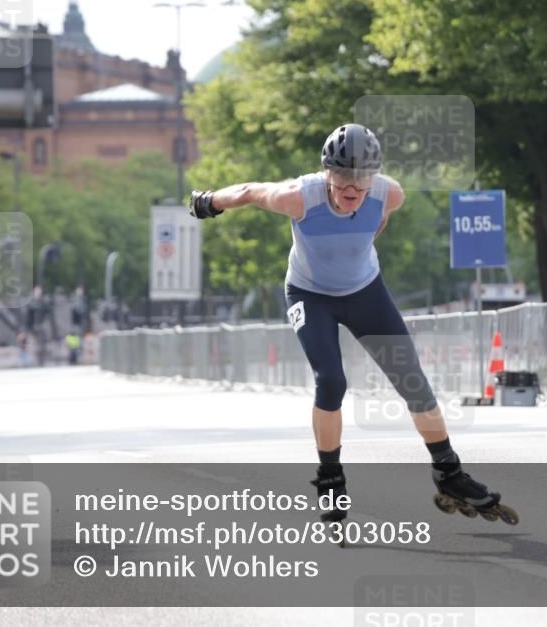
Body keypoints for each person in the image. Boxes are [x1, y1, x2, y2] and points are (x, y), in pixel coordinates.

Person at [189, 123, 517, 525]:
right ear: (327, 172)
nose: (351, 188)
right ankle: (330, 480)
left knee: (411, 378)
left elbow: (377, 224)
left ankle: (449, 473)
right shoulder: (299, 197)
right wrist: (209, 201)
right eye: (343, 176)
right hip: (310, 294)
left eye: (362, 179)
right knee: (331, 381)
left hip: (365, 291)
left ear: (374, 176)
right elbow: (250, 192)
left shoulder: (389, 194)